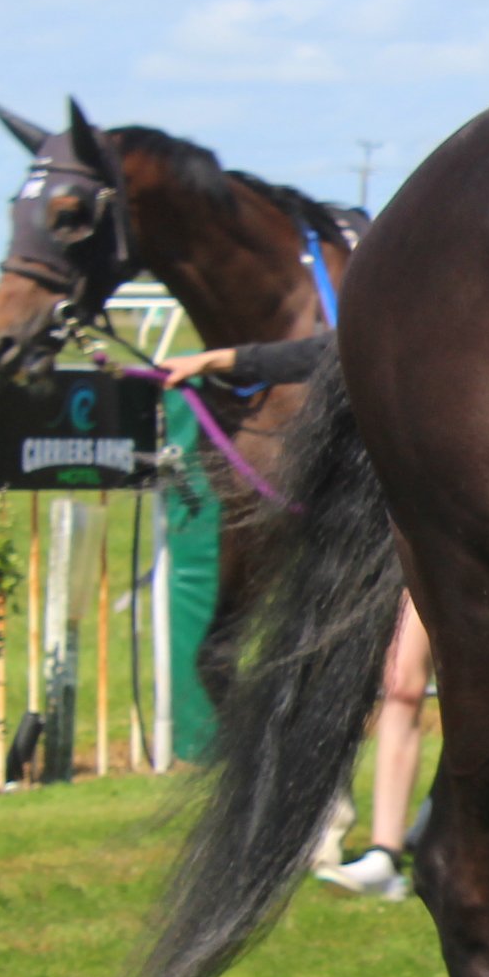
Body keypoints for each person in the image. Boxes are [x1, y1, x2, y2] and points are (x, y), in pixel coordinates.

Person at [165, 334, 425, 899]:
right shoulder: (397, 307)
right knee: (402, 686)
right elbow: (323, 351)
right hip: (413, 532)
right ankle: (384, 854)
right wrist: (214, 360)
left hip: (463, 529)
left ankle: (444, 817)